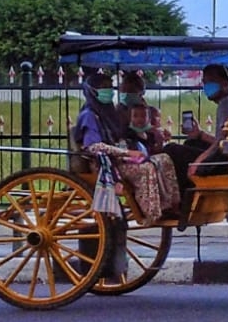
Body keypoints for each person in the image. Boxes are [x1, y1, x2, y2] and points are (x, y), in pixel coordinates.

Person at [74, 71, 180, 226]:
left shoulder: (109, 112)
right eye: (104, 87)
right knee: (146, 168)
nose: (109, 91)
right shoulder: (89, 115)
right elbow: (93, 146)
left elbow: (120, 135)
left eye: (110, 87)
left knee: (164, 159)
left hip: (120, 158)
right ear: (92, 90)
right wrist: (126, 152)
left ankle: (170, 205)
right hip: (105, 163)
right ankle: (151, 212)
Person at [164, 63, 228, 198]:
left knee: (171, 150)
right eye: (204, 82)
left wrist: (199, 161)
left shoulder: (227, 104)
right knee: (191, 143)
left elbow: (224, 141)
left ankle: (178, 200)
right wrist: (200, 135)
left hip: (225, 162)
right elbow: (220, 139)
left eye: (211, 81)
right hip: (226, 156)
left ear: (225, 82)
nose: (206, 86)